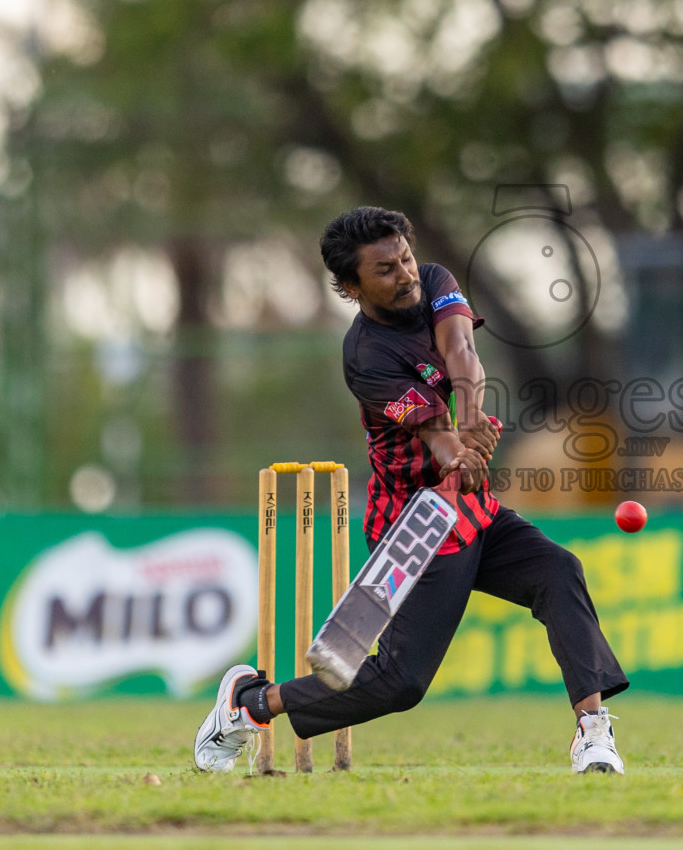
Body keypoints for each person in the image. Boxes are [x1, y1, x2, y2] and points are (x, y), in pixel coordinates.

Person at [194, 206, 628, 775]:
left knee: (558, 571)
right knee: (399, 683)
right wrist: (461, 451)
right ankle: (248, 705)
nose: (404, 275)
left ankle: (592, 733)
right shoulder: (366, 358)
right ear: (351, 286)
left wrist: (471, 430)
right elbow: (433, 436)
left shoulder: (435, 281)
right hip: (415, 524)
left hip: (469, 508)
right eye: (385, 270)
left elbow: (463, 356)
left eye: (404, 258)